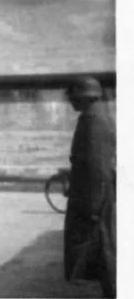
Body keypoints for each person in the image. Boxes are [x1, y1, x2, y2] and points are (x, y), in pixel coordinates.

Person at [63, 76, 116, 298]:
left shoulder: (93, 122)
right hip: (94, 198)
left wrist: (92, 208)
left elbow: (97, 169)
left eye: (74, 98)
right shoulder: (95, 118)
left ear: (85, 97)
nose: (71, 102)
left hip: (93, 202)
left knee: (105, 256)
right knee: (102, 257)